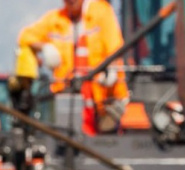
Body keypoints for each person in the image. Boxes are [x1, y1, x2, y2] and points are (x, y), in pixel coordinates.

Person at [16, 0, 130, 135]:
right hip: (67, 101)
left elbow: (114, 46)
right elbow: (24, 36)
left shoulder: (101, 12)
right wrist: (45, 47)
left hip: (103, 101)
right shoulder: (55, 20)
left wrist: (112, 69)